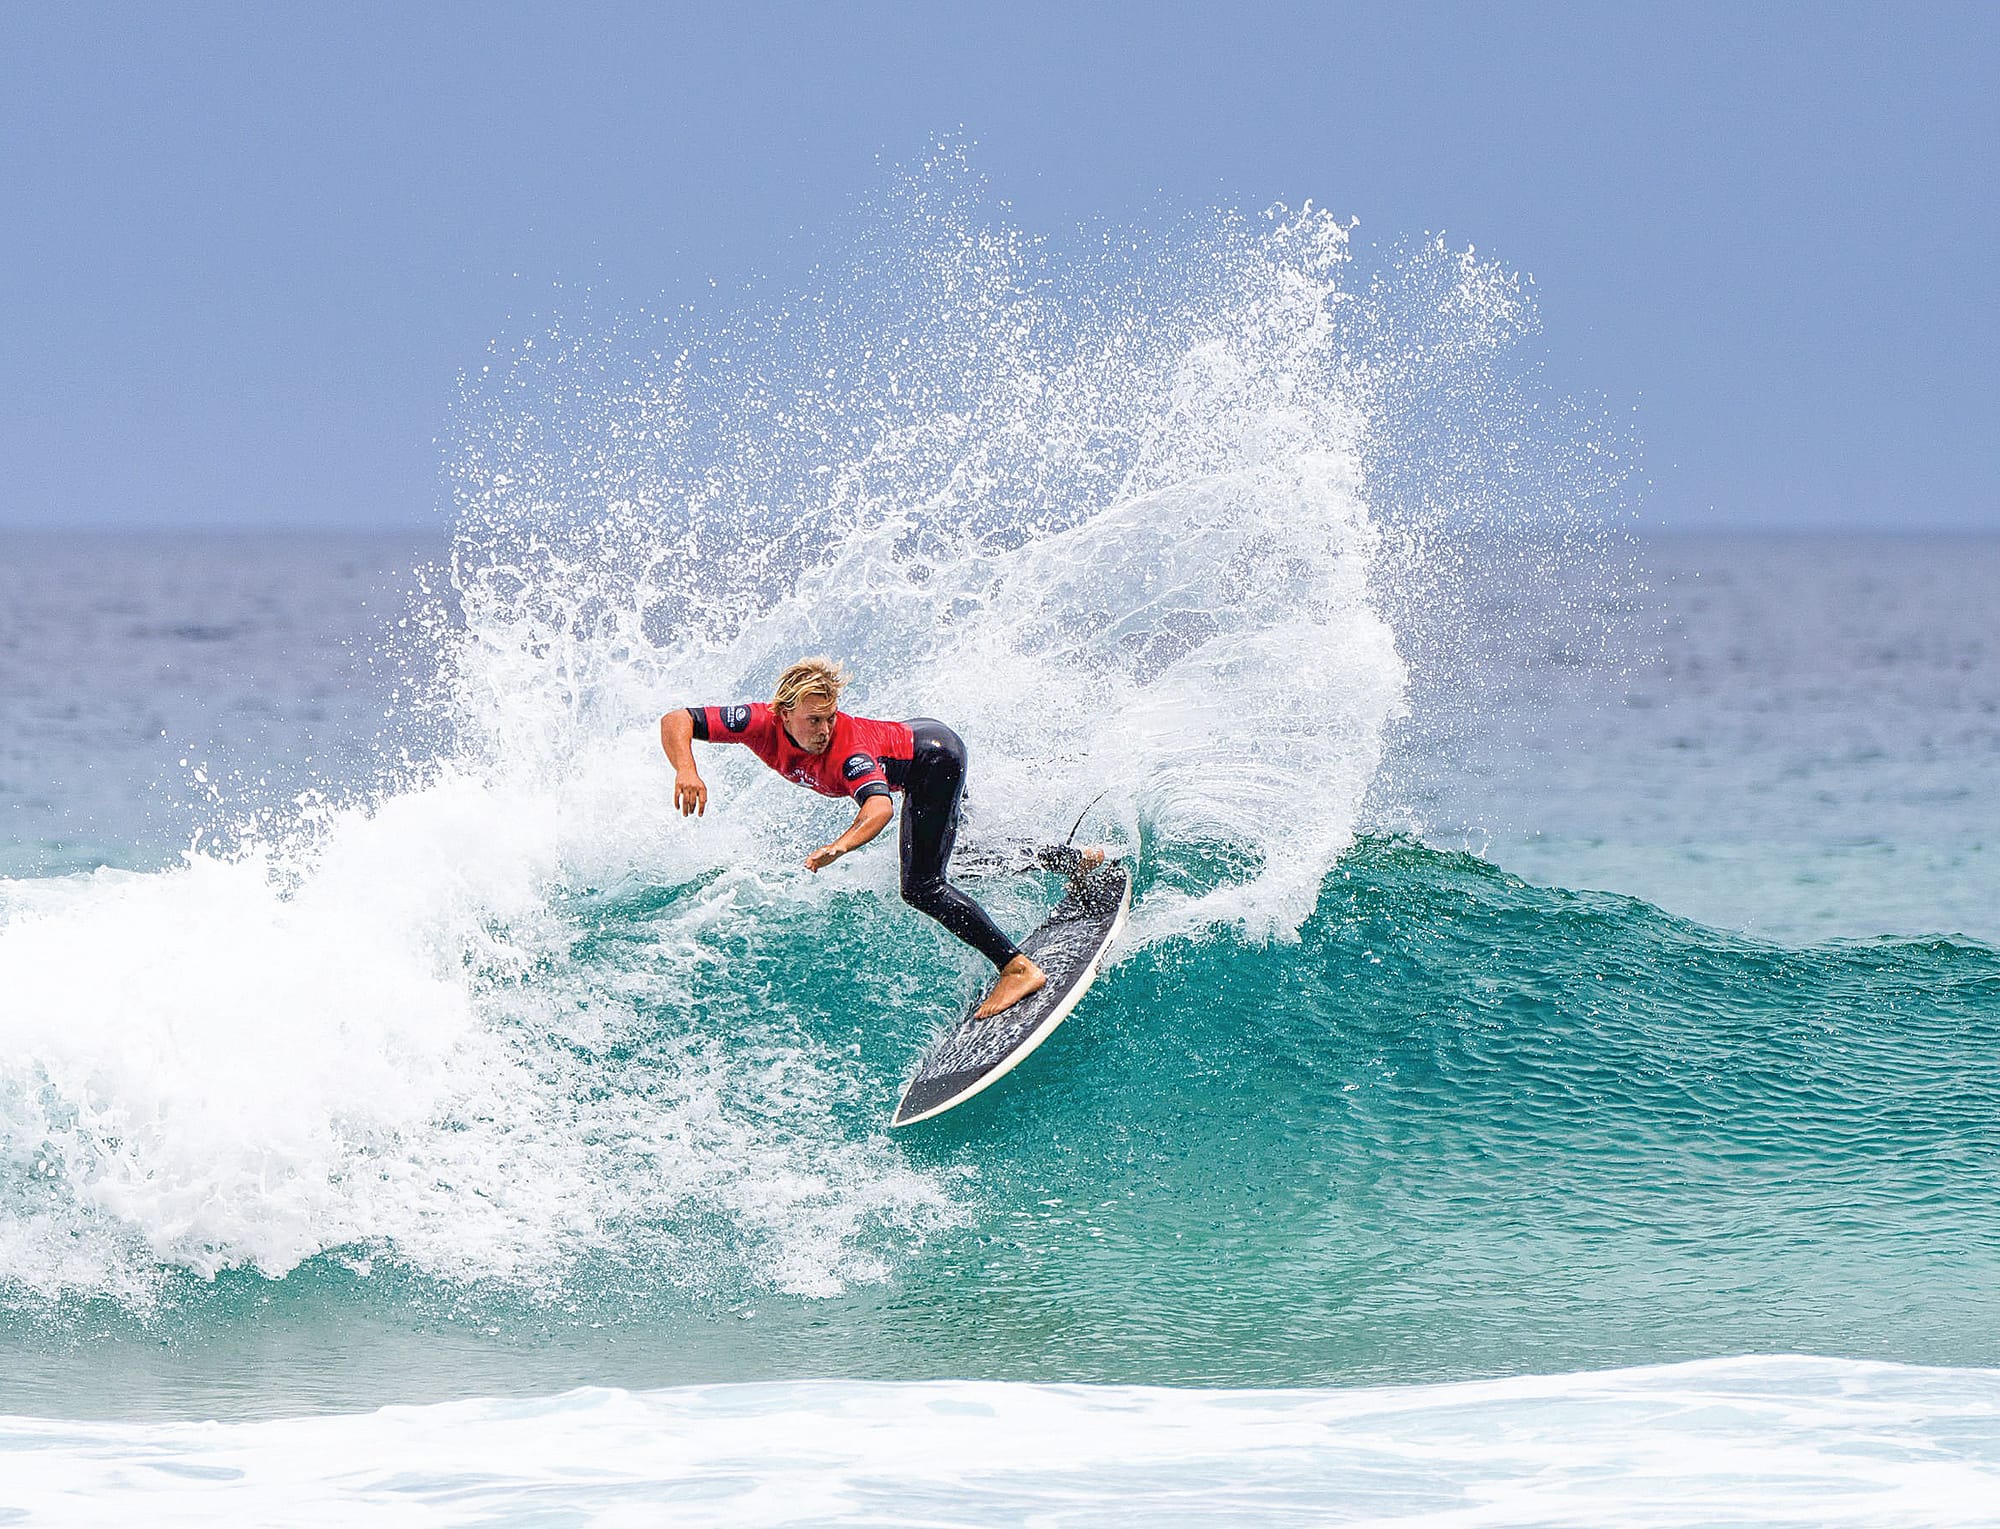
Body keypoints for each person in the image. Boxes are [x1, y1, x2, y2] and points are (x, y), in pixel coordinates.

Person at [660, 657, 1097, 1018]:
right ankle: (1072, 861)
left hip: (934, 761)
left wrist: (842, 844)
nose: (824, 729)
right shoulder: (758, 722)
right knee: (956, 859)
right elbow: (678, 718)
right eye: (813, 720)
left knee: (922, 886)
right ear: (783, 713)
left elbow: (879, 807)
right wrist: (686, 768)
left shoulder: (847, 750)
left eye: (830, 718)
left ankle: (1017, 968)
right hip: (922, 741)